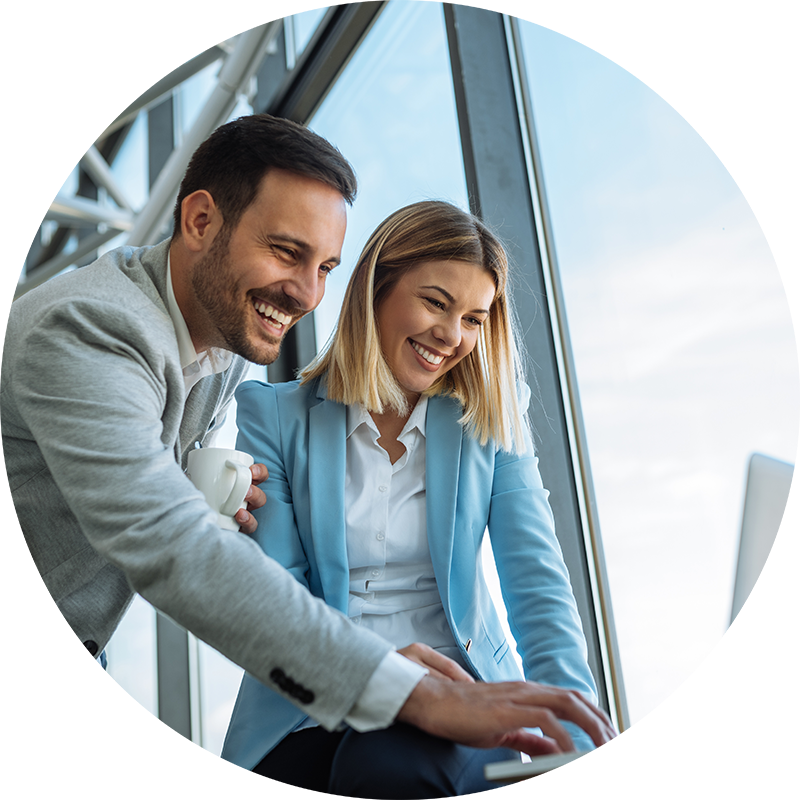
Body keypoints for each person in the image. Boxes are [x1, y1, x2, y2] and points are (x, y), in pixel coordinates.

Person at [1, 114, 611, 792]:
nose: (306, 292)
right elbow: (169, 542)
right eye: (286, 252)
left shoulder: (223, 343)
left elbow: (540, 588)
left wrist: (571, 748)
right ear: (200, 220)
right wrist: (412, 689)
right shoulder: (91, 329)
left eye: (323, 267)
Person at [223, 200, 607, 798]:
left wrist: (577, 748)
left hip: (460, 691)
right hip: (311, 700)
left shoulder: (491, 420)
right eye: (436, 302)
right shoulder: (274, 416)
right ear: (377, 289)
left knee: (389, 770)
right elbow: (281, 593)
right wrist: (378, 674)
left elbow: (538, 586)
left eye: (475, 319)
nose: (452, 337)